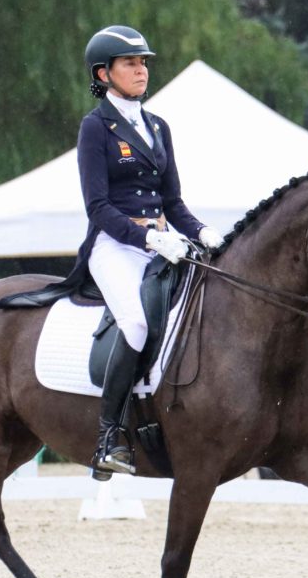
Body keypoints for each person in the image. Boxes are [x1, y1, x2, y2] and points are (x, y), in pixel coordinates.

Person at [75, 25, 224, 480]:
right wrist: (147, 238)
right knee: (137, 321)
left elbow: (172, 202)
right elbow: (97, 207)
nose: (141, 70)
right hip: (115, 247)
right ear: (104, 73)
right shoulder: (95, 127)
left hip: (165, 243)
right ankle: (108, 437)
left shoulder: (158, 126)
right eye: (130, 63)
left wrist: (203, 231)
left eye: (143, 63)